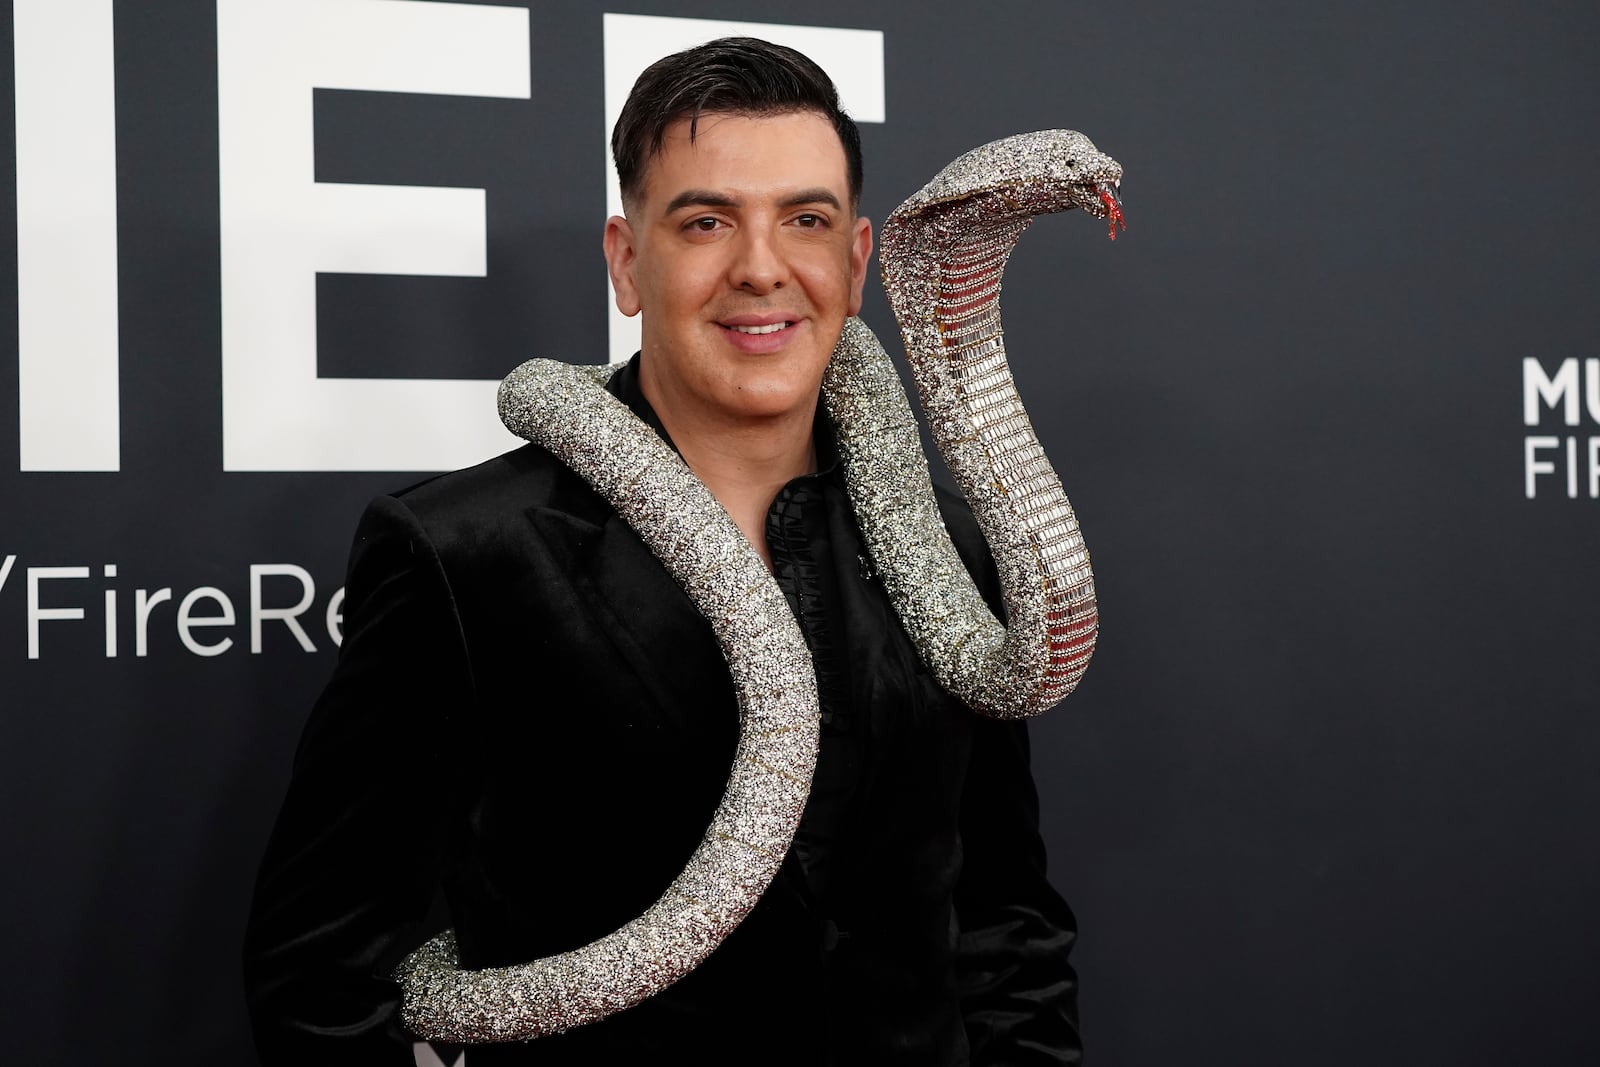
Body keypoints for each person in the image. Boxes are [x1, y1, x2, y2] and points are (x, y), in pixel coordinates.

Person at [244, 37, 1081, 1066]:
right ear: (627, 260)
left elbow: (1002, 920)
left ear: (857, 261)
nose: (762, 267)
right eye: (705, 222)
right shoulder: (466, 554)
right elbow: (322, 972)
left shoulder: (948, 546)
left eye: (805, 220)